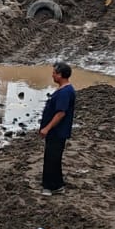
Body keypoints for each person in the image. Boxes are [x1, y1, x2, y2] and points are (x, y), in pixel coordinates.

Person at [39, 62, 77, 196]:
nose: (52, 75)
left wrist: (47, 128)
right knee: (53, 158)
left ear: (60, 75)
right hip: (56, 131)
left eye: (54, 73)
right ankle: (58, 185)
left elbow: (61, 113)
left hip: (57, 131)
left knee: (51, 158)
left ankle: (49, 187)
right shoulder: (64, 90)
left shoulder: (65, 92)